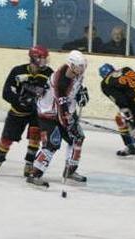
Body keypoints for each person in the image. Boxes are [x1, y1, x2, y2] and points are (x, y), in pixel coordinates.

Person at [0, 45, 53, 177]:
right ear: (34, 58)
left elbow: (53, 92)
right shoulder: (18, 71)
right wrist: (20, 100)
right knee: (7, 138)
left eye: (45, 58)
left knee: (35, 137)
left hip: (36, 113)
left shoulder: (49, 73)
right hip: (17, 111)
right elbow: (6, 92)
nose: (45, 61)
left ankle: (29, 164)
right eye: (42, 58)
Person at [27, 50, 89, 187]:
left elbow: (76, 89)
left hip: (65, 112)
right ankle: (34, 174)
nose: (82, 69)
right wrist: (69, 122)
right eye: (80, 66)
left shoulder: (77, 73)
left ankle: (70, 171)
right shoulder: (60, 81)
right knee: (52, 144)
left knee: (78, 138)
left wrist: (82, 94)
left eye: (83, 65)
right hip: (49, 115)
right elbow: (61, 107)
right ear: (71, 65)